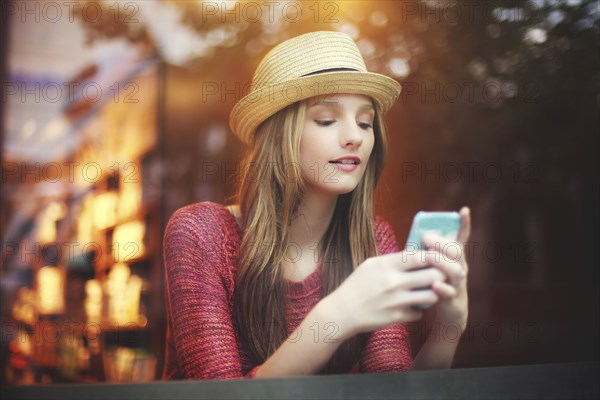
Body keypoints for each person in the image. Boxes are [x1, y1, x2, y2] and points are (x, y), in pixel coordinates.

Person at [162, 31, 471, 380]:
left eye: (365, 122)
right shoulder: (200, 232)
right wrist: (334, 317)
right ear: (279, 136)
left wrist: (449, 329)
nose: (354, 136)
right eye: (326, 119)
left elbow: (392, 388)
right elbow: (216, 395)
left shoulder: (373, 238)